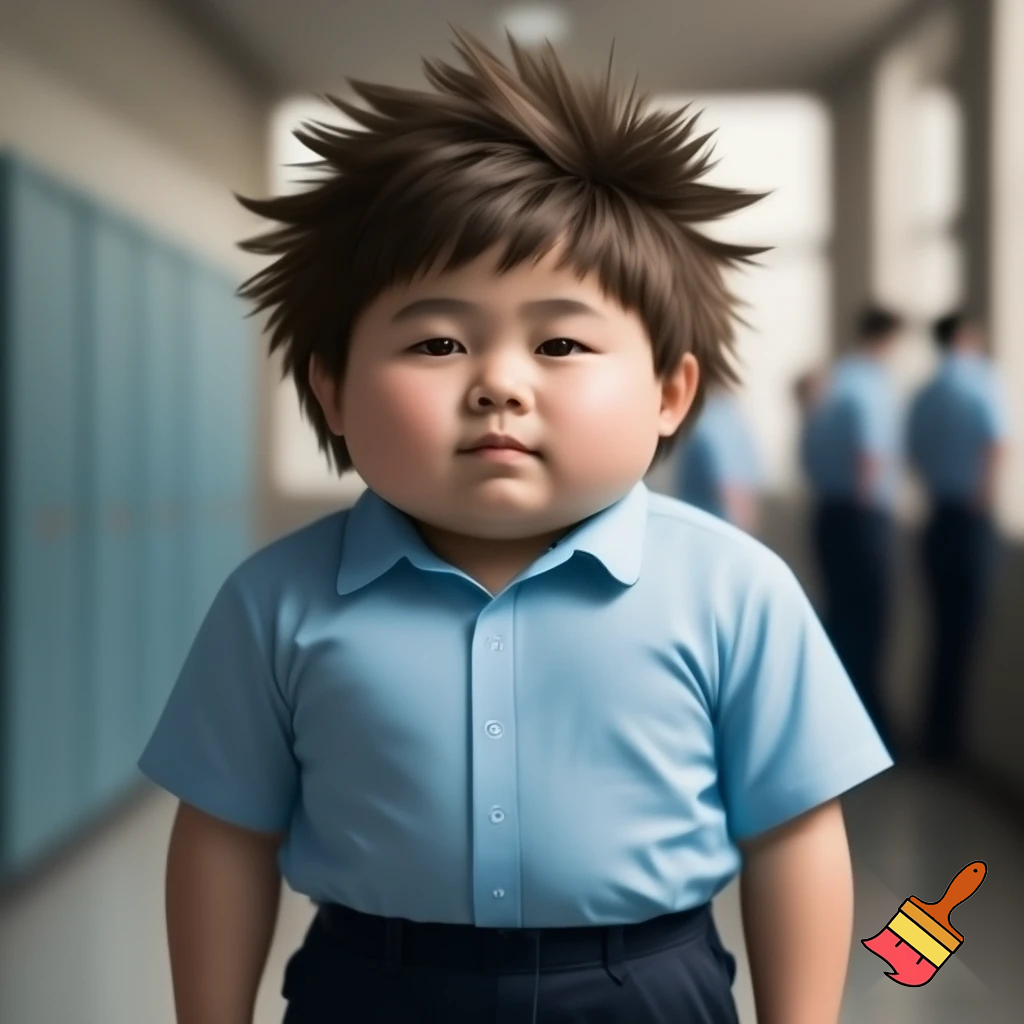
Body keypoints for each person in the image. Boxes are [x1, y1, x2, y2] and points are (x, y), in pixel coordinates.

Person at [139, 31, 891, 1024]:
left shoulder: (736, 591)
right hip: (369, 989)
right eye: (438, 340)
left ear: (670, 391)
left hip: (648, 988)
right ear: (331, 388)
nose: (498, 382)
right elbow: (223, 833)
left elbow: (793, 833)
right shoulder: (275, 601)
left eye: (561, 341)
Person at [800, 308, 904, 747]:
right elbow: (870, 454)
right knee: (870, 624)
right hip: (861, 516)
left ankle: (836, 726)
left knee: (842, 619)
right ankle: (864, 731)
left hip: (829, 512)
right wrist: (867, 506)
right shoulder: (870, 387)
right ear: (888, 340)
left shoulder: (834, 381)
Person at [908, 312, 1008, 763]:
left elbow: (911, 454)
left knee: (941, 633)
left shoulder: (924, 393)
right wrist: (984, 499)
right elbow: (996, 443)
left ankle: (936, 737)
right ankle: (950, 745)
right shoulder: (980, 382)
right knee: (964, 636)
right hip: (970, 519)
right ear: (968, 337)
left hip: (937, 517)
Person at [676, 383, 763, 532]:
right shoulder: (734, 419)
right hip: (718, 522)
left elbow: (728, 485)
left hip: (710, 522)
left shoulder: (712, 421)